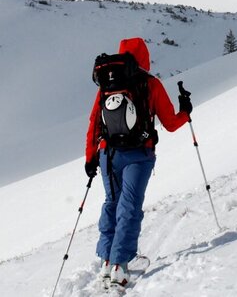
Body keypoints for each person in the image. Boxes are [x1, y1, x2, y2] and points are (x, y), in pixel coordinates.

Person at [85, 37, 191, 288]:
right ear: (144, 57)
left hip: (107, 154)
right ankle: (119, 265)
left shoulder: (108, 84)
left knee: (112, 203)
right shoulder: (151, 84)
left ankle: (107, 260)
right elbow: (171, 123)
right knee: (129, 206)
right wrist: (186, 111)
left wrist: (90, 158)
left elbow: (94, 123)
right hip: (139, 155)